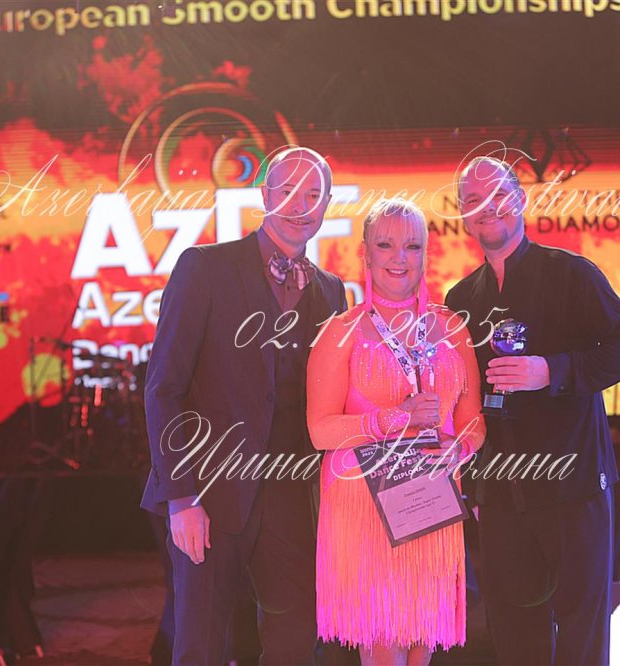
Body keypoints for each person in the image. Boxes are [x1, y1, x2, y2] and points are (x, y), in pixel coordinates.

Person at [141, 146, 348, 665]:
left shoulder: (330, 292)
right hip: (208, 496)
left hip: (291, 499)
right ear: (264, 195)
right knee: (202, 648)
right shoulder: (205, 267)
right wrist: (181, 497)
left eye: (314, 194)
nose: (301, 204)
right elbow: (164, 388)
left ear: (327, 205)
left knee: (296, 644)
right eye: (288, 190)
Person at [444, 156, 620, 665]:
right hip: (500, 497)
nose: (486, 207)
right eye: (473, 200)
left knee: (582, 633)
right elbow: (466, 400)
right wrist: (474, 486)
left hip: (572, 487)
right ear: (463, 214)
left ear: (520, 200)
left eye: (497, 194)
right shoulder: (460, 297)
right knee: (515, 637)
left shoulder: (570, 273)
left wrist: (552, 370)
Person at [306, 198, 485, 666]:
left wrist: (460, 448)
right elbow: (320, 431)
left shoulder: (452, 327)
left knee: (422, 645)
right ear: (365, 253)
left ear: (426, 253)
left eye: (412, 246)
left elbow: (473, 420)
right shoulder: (341, 331)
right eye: (385, 245)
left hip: (431, 500)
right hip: (365, 504)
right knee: (384, 646)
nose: (398, 257)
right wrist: (391, 420)